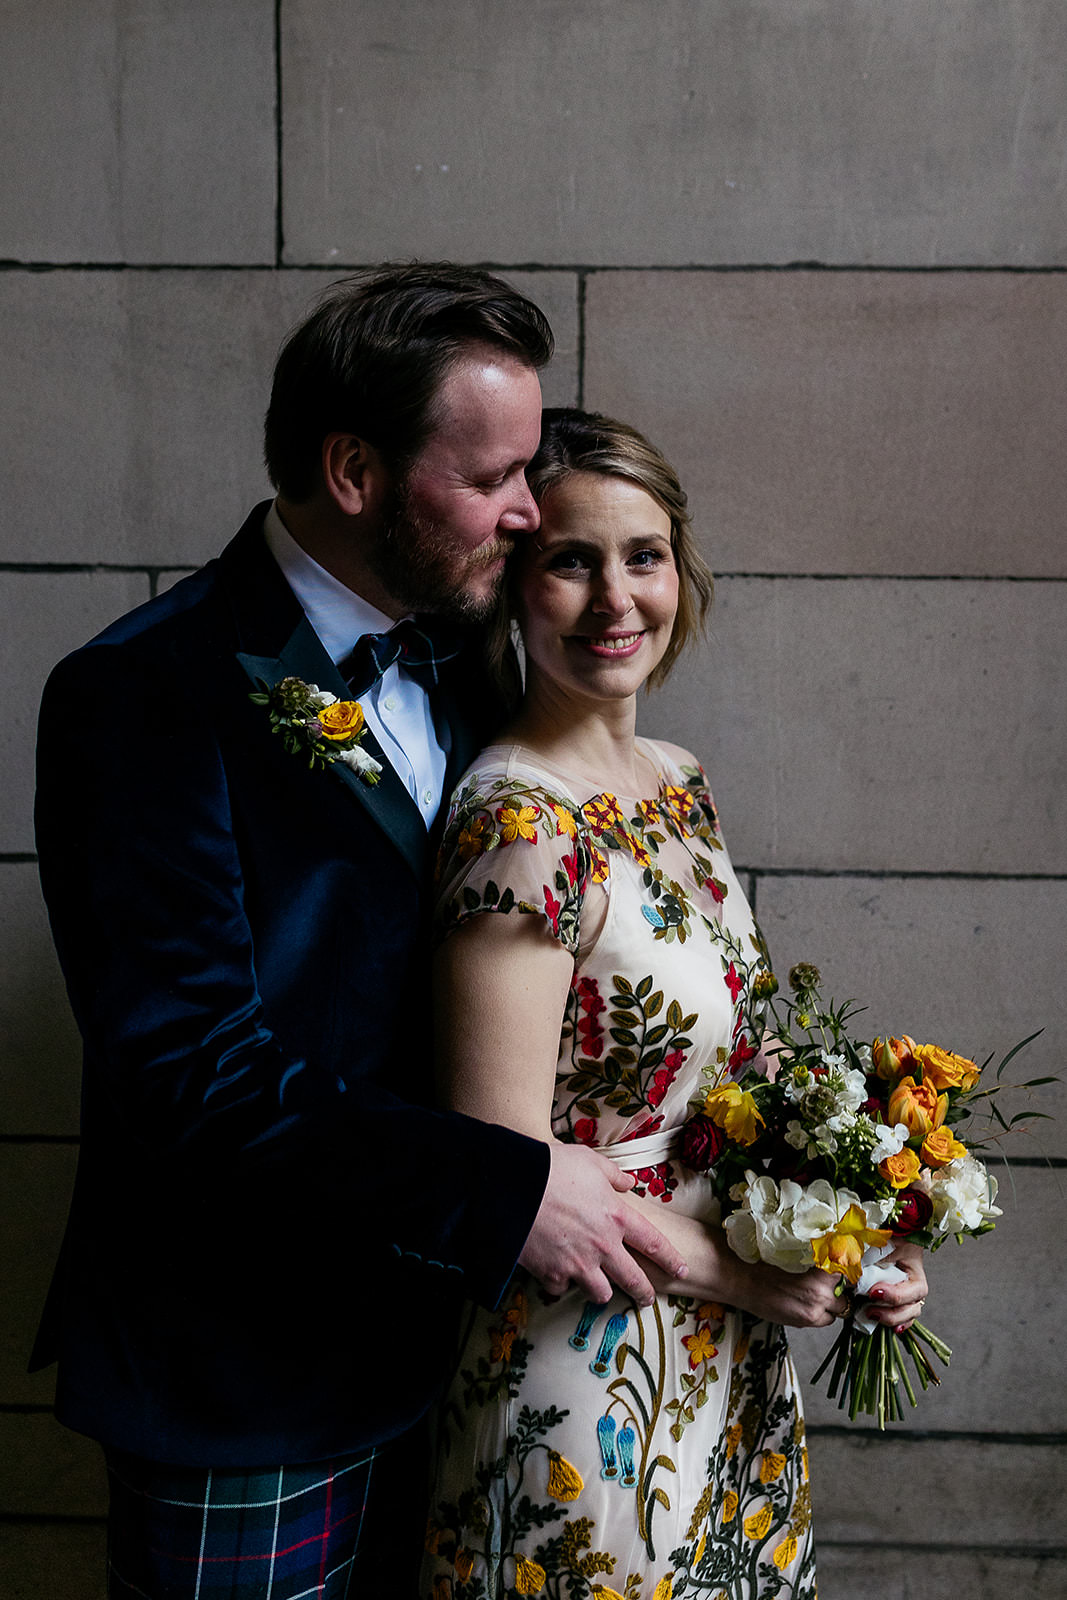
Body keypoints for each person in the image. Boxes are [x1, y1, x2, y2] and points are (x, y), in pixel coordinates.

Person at [32, 268, 686, 1598]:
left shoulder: (464, 658)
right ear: (352, 471)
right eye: (492, 476)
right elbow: (188, 1071)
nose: (526, 509)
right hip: (249, 1374)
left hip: (458, 1356)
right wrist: (503, 1192)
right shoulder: (141, 695)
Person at [422, 408, 929, 1598]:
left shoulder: (675, 779)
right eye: (568, 560)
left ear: (678, 571)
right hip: (586, 1380)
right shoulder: (516, 823)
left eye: (640, 555)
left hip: (723, 1351)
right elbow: (506, 1169)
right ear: (509, 583)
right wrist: (756, 1278)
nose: (613, 598)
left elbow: (723, 1083)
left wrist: (860, 1228)